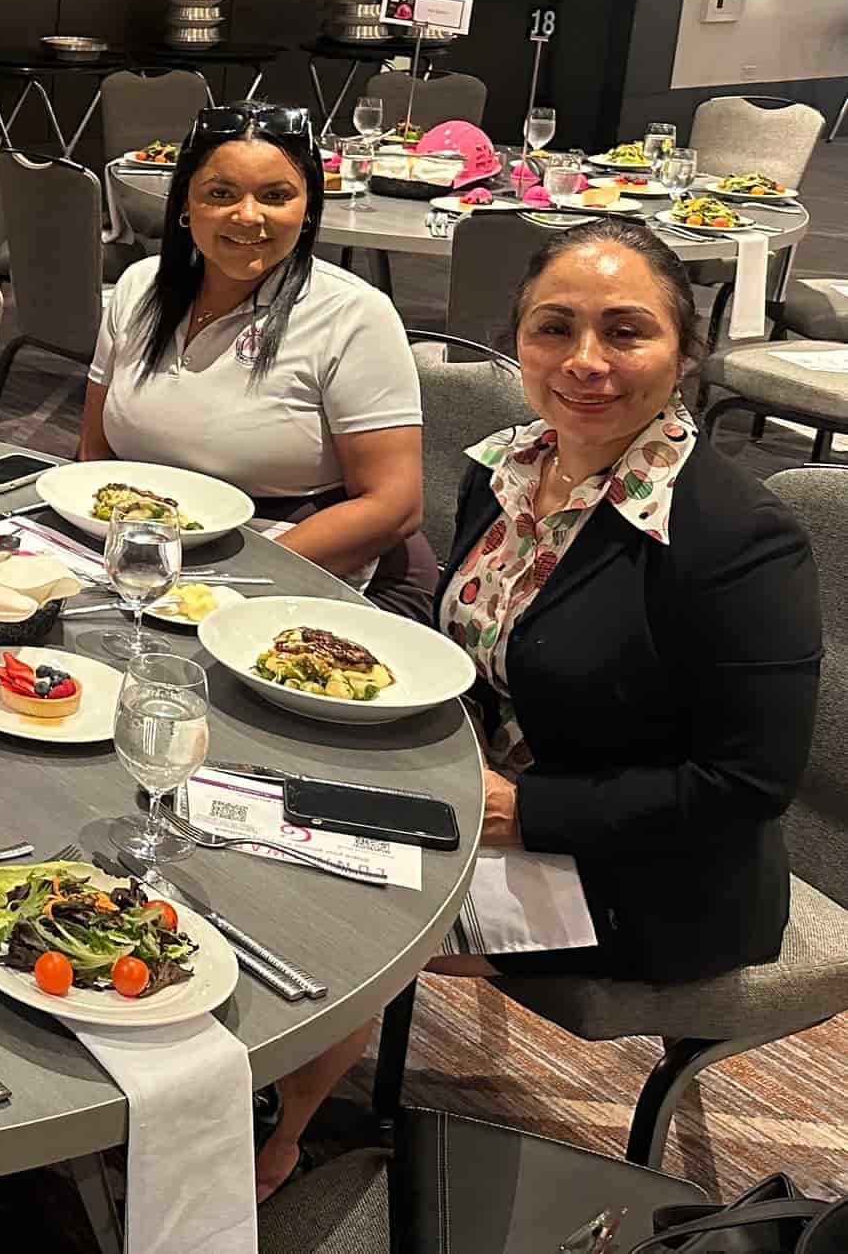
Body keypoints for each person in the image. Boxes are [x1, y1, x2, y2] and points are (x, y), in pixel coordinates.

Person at [254, 221, 820, 1199]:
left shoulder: (737, 538)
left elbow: (745, 786)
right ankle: (234, 1088)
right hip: (480, 806)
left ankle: (266, 1141)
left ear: (683, 350)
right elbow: (485, 659)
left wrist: (521, 812)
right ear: (516, 341)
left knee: (348, 898)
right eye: (553, 328)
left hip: (645, 876)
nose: (586, 362)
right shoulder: (507, 467)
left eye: (625, 331)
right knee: (247, 813)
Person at [81, 103, 430, 613]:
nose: (248, 216)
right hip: (160, 562)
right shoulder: (139, 288)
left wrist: (223, 584)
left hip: (315, 563)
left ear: (309, 206)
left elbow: (394, 507)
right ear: (184, 204)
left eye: (276, 196)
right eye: (220, 194)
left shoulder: (355, 315)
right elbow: (94, 453)